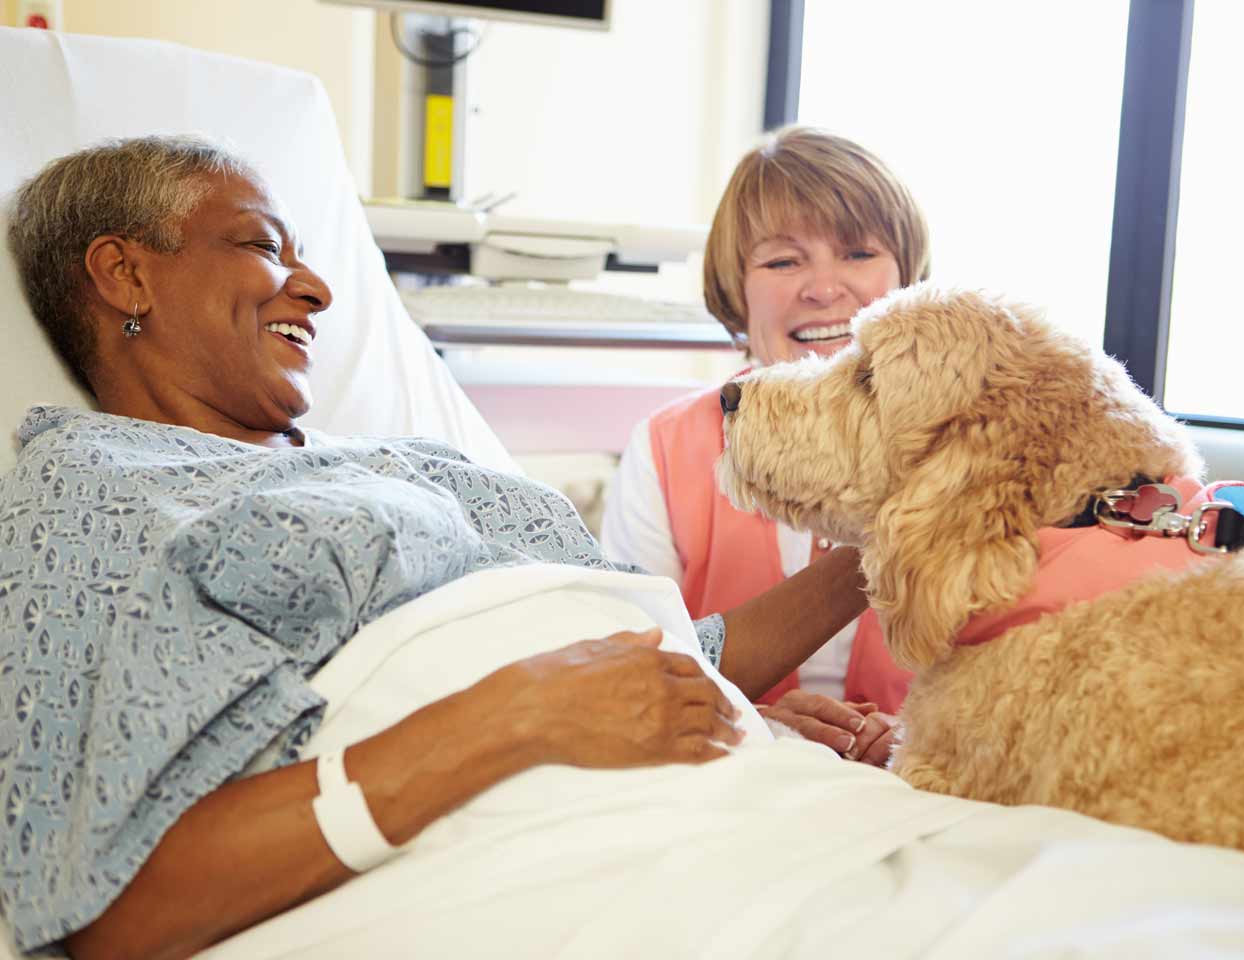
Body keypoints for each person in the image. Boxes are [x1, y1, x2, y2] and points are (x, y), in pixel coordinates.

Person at [0, 136, 896, 960]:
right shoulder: (94, 490)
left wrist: (911, 528)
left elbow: (679, 652)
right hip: (565, 860)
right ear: (125, 274)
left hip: (736, 804)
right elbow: (107, 912)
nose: (315, 288)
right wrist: (516, 715)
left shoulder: (411, 461)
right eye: (263, 246)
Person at [602, 126, 924, 736]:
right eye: (783, 260)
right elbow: (633, 671)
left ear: (906, 277)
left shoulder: (971, 438)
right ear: (735, 287)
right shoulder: (667, 449)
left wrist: (908, 735)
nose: (826, 289)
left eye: (859, 253)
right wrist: (764, 725)